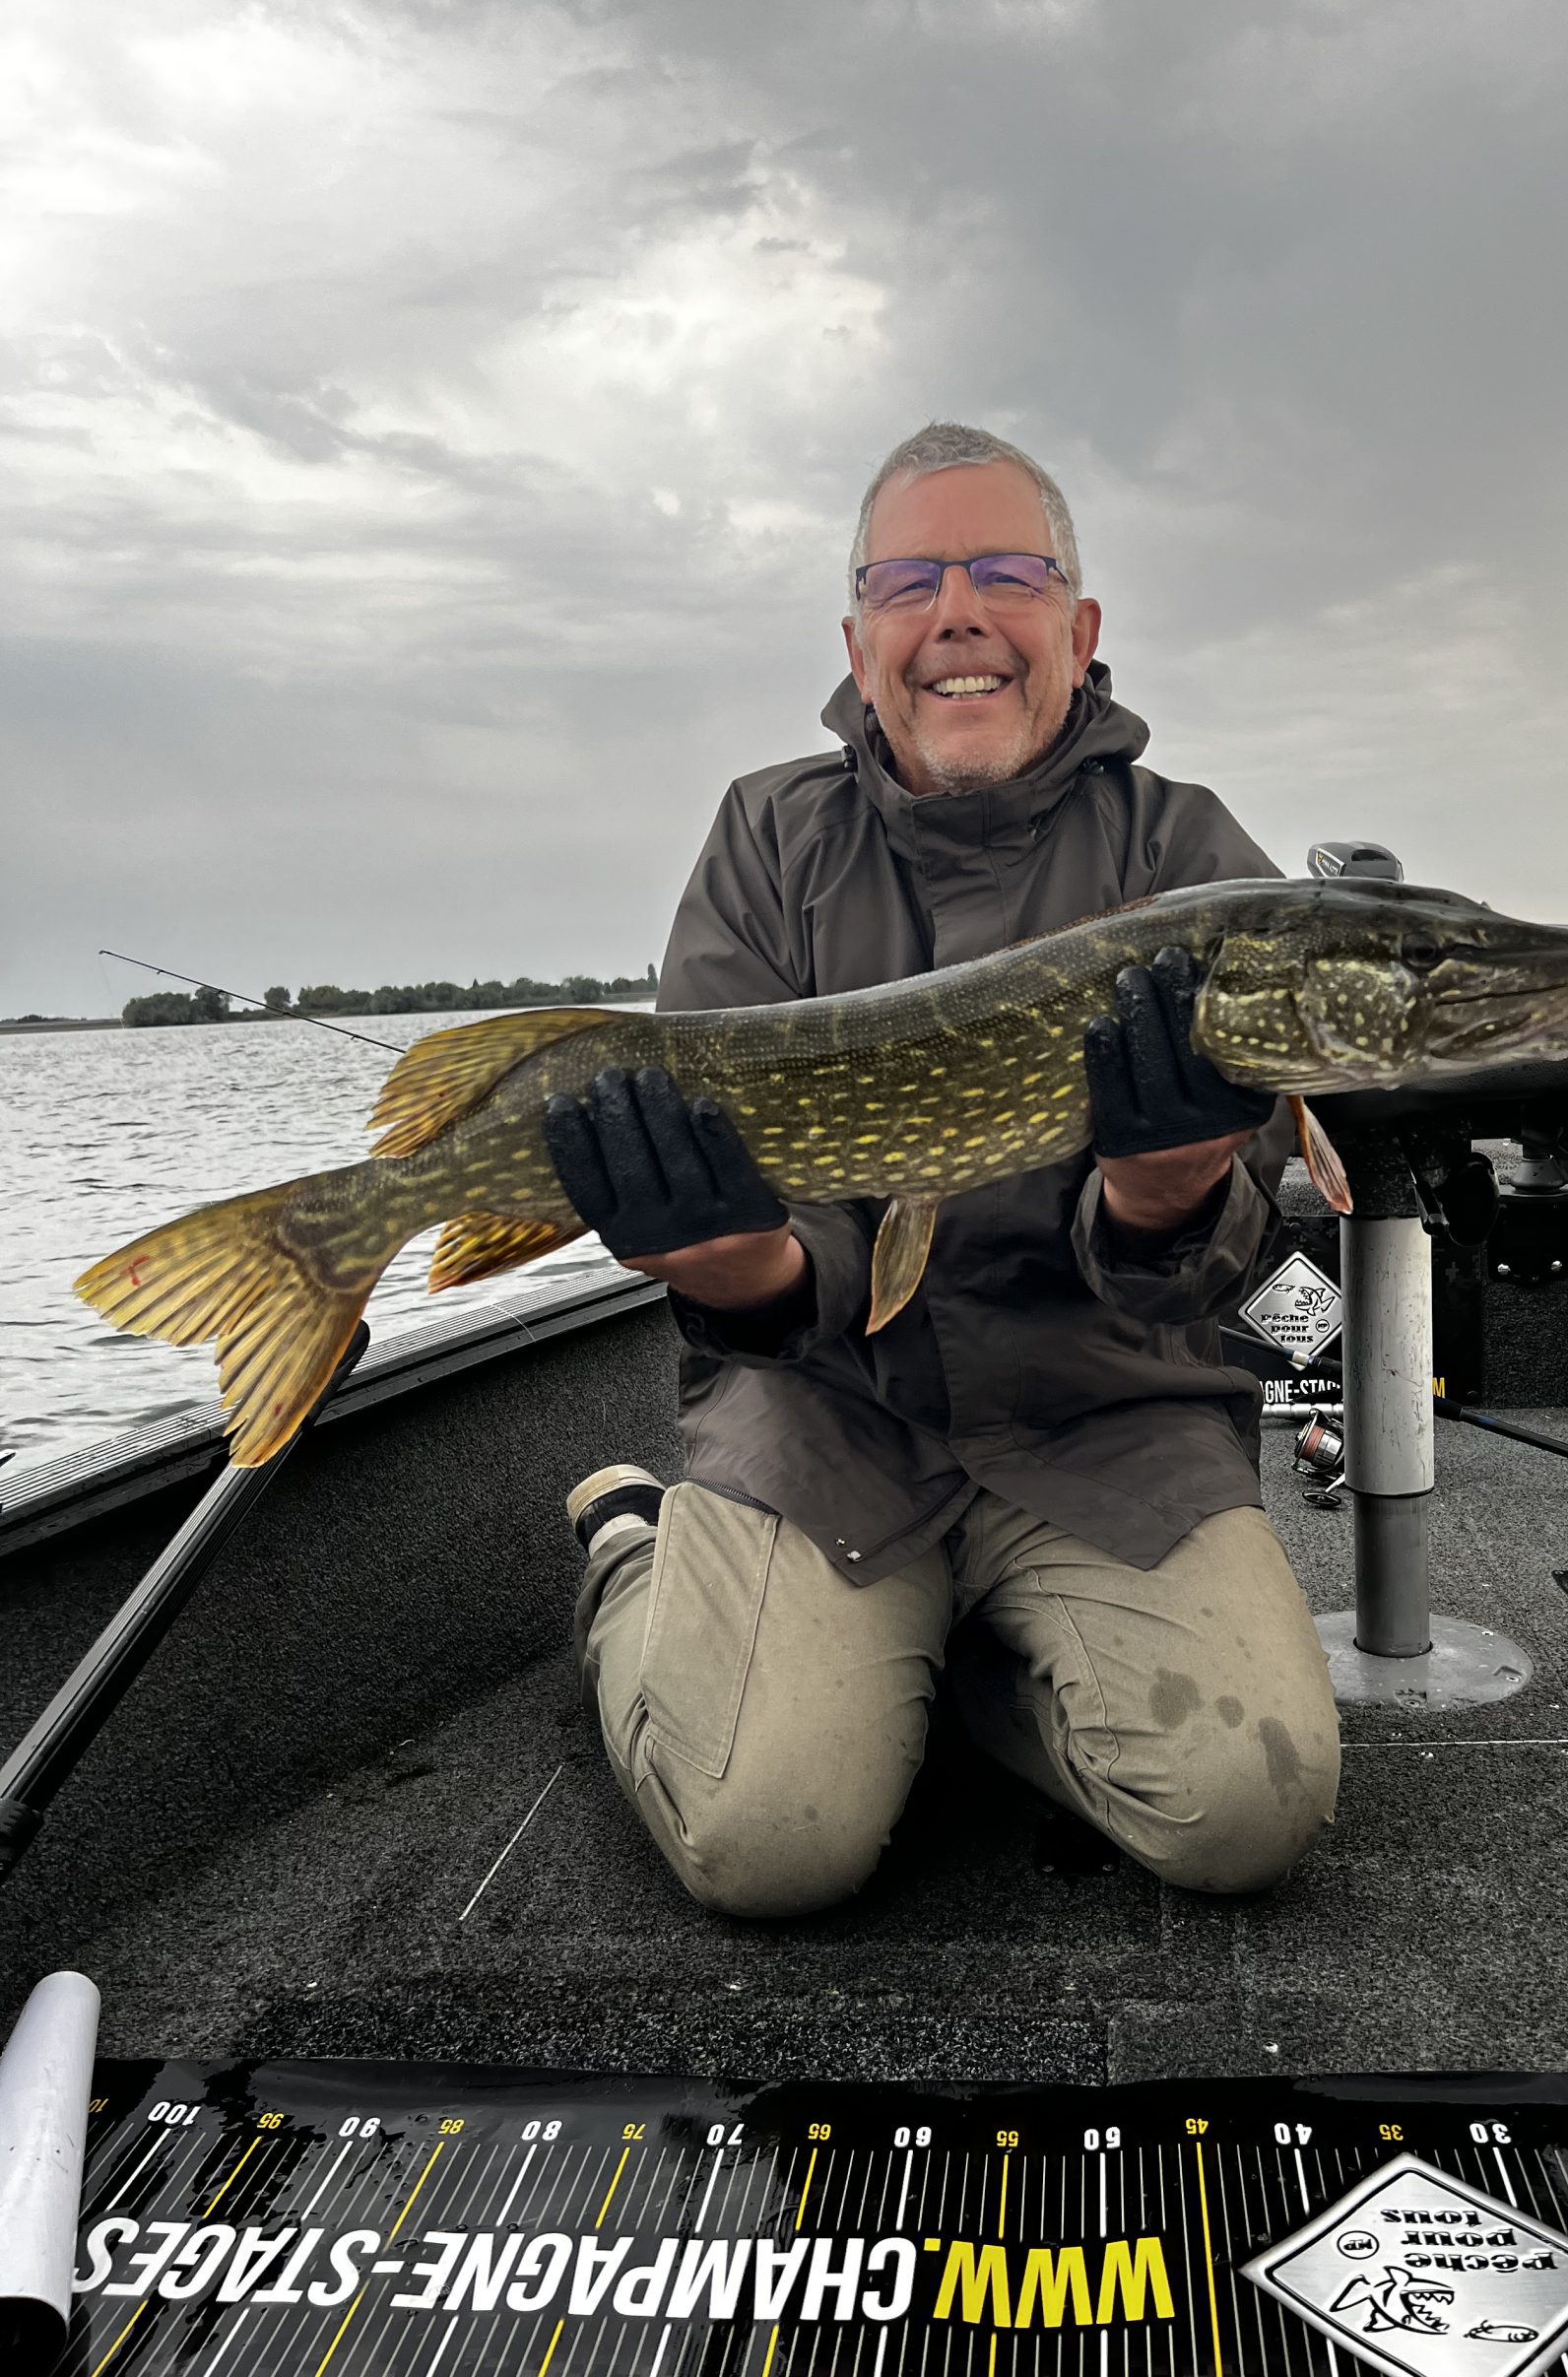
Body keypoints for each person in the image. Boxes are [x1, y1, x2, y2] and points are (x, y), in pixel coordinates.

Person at [545, 421, 1341, 1917]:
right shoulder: (768, 839)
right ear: (858, 637)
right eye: (911, 577)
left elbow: (1228, 1262)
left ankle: (948, 1677)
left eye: (1009, 570)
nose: (959, 609)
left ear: (1080, 627)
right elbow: (757, 1231)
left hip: (1108, 1419)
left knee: (1250, 1810)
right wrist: (745, 1274)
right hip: (828, 1420)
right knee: (768, 1843)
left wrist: (1164, 1197)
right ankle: (629, 1561)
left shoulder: (1195, 861)